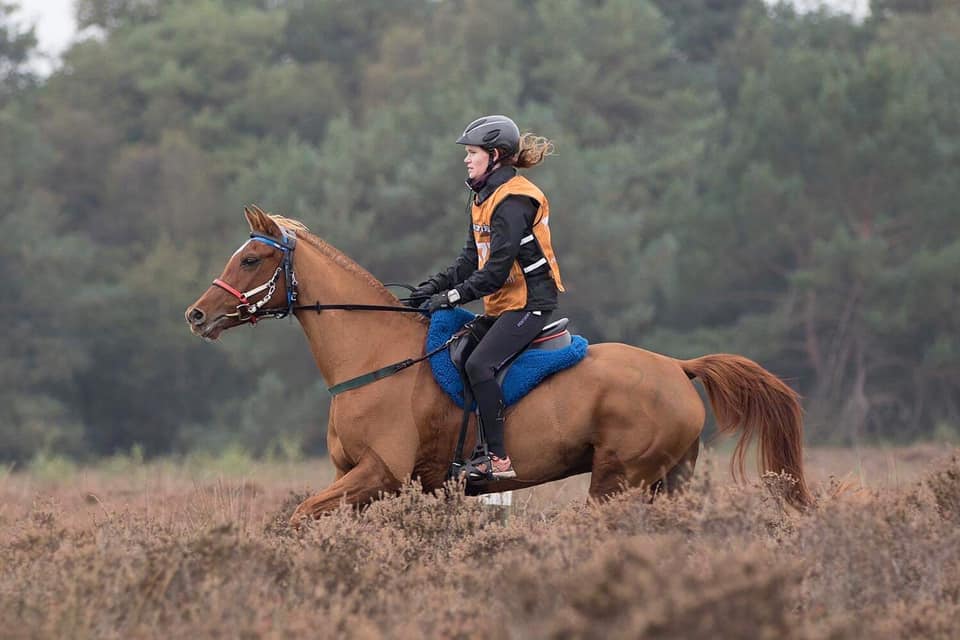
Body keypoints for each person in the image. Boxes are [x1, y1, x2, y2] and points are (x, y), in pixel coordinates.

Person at [406, 115, 565, 479]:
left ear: (494, 155)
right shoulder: (484, 197)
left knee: (480, 365)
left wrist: (450, 298)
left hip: (530, 305)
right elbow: (468, 261)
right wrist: (429, 289)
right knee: (456, 352)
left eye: (473, 152)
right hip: (504, 307)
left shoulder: (513, 201)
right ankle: (465, 449)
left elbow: (494, 272)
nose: (466, 159)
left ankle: (498, 460)